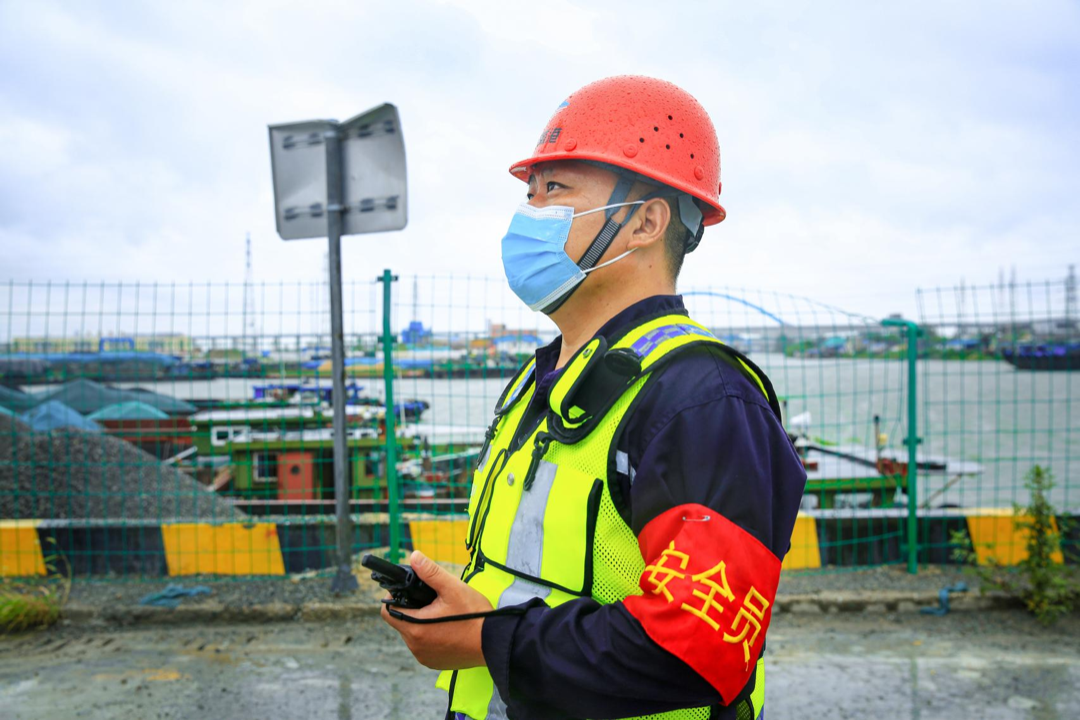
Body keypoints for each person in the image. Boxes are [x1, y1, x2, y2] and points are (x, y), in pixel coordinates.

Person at [382, 75, 807, 720]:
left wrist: (484, 638)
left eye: (555, 189)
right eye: (529, 194)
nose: (529, 214)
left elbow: (700, 646)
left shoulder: (704, 401)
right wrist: (461, 611)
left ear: (645, 222)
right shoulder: (543, 380)